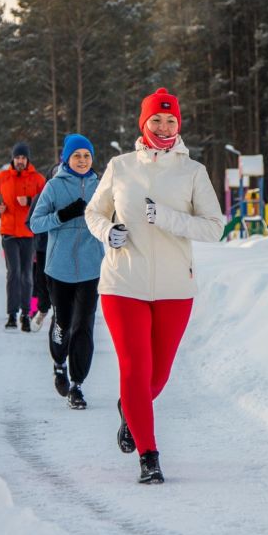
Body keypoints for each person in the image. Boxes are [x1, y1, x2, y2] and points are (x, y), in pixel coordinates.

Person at [86, 87, 224, 485]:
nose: (163, 126)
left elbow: (214, 228)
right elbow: (94, 211)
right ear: (143, 123)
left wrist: (164, 217)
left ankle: (130, 410)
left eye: (170, 120)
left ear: (178, 125)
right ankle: (149, 456)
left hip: (174, 288)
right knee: (134, 368)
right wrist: (107, 230)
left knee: (157, 376)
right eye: (156, 120)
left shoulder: (192, 172)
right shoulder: (120, 166)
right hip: (122, 282)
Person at [29, 134, 104, 409]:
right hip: (58, 268)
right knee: (63, 323)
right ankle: (59, 362)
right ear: (66, 158)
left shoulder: (102, 186)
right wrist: (62, 216)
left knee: (83, 325)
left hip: (91, 268)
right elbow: (35, 224)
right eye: (77, 156)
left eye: (87, 155)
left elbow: (115, 217)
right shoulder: (53, 187)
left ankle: (77, 385)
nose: (82, 160)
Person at [0, 141, 46, 331]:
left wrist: (30, 201)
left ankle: (26, 315)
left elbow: (46, 199)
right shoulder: (3, 177)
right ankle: (12, 314)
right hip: (9, 233)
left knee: (27, 275)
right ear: (13, 159)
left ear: (28, 159)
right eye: (17, 157)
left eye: (23, 158)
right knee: (13, 274)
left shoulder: (37, 179)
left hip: (29, 234)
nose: (20, 161)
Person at [26, 162, 59, 332]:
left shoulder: (69, 197)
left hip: (60, 250)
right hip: (41, 249)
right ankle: (37, 311)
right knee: (39, 284)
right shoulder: (40, 198)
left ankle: (57, 313)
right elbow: (29, 223)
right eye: (54, 174)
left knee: (57, 285)